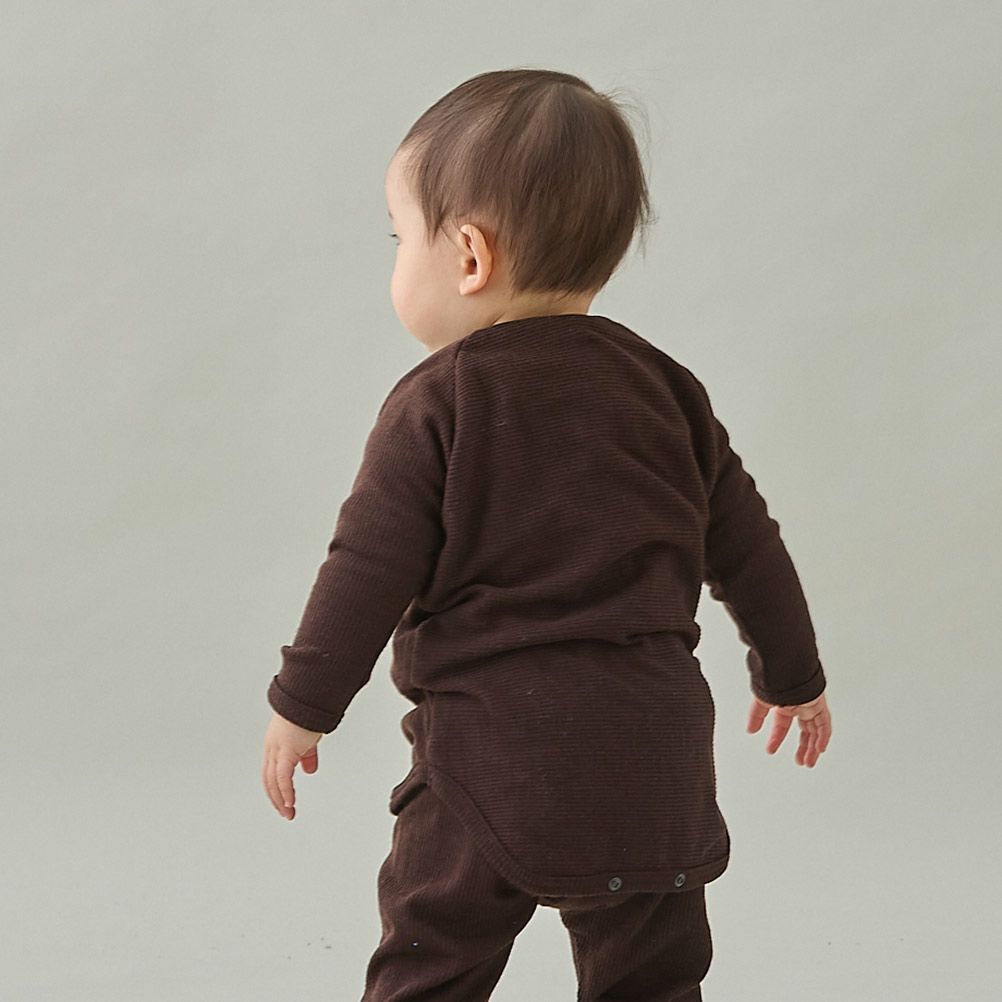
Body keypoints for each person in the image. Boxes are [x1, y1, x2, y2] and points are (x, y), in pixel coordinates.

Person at [261, 67, 832, 1002]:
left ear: (469, 256)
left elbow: (367, 567)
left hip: (492, 761)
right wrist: (793, 677)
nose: (396, 261)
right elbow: (748, 547)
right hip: (655, 758)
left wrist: (303, 704)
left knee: (435, 957)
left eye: (400, 238)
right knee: (651, 979)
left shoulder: (439, 402)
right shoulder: (669, 391)